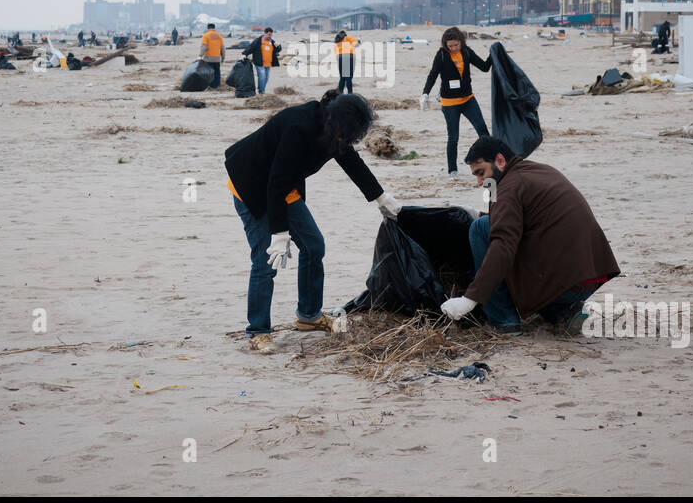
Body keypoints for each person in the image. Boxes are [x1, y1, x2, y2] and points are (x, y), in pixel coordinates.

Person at [225, 89, 402, 354]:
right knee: (266, 259)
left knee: (313, 246)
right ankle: (258, 331)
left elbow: (351, 161)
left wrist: (380, 197)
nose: (346, 141)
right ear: (333, 121)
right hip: (251, 186)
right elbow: (275, 182)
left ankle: (308, 316)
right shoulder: (299, 127)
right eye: (345, 136)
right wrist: (279, 234)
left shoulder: (335, 127)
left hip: (283, 187)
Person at [440, 137, 621, 334]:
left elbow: (503, 244)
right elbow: (523, 220)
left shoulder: (507, 187)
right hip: (591, 275)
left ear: (500, 161)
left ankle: (503, 320)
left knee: (479, 229)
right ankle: (562, 314)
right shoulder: (539, 170)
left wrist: (470, 298)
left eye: (481, 173)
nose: (479, 182)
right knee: (486, 223)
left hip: (563, 282)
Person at [420, 27, 491, 178]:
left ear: (461, 42)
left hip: (468, 99)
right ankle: (452, 170)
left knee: (483, 132)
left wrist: (495, 52)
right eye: (450, 46)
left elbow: (485, 67)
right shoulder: (441, 55)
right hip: (450, 103)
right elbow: (433, 75)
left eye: (456, 45)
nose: (453, 48)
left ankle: (489, 162)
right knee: (453, 137)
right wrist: (425, 93)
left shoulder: (466, 51)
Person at [247, 27, 281, 94]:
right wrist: (244, 54)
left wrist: (278, 46)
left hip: (268, 63)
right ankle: (261, 92)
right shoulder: (258, 41)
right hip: (259, 63)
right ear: (264, 33)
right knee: (262, 76)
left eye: (271, 35)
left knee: (266, 78)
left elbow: (278, 50)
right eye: (268, 34)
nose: (270, 36)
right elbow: (250, 48)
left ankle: (262, 89)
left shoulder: (272, 41)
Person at [200, 22, 224, 89]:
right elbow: (222, 48)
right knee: (217, 73)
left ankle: (210, 86)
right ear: (214, 28)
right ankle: (217, 86)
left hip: (208, 58)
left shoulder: (206, 35)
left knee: (209, 73)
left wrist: (200, 56)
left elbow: (204, 47)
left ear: (208, 28)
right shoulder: (219, 36)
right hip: (217, 59)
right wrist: (223, 57)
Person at [334, 29, 357, 94]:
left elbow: (336, 53)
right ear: (345, 35)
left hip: (340, 58)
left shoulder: (336, 42)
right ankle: (350, 94)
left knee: (342, 78)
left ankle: (340, 94)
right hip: (349, 57)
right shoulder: (348, 37)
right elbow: (356, 43)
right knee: (349, 77)